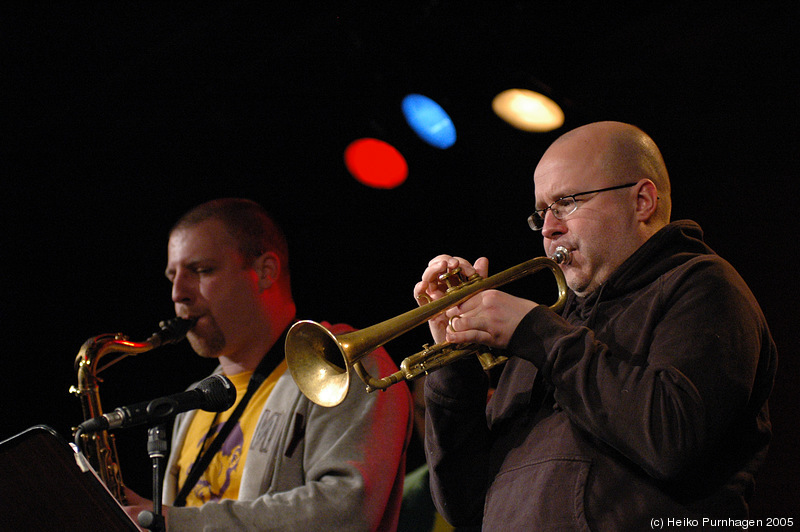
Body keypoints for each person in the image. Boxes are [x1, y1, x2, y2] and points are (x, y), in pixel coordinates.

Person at [413, 122, 777, 530]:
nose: (549, 228)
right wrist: (455, 361)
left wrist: (537, 334)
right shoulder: (547, 332)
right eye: (541, 213)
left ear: (642, 201)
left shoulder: (704, 285)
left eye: (566, 202)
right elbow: (463, 504)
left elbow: (673, 440)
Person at [123, 198, 412, 531]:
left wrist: (178, 524)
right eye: (173, 276)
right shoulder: (195, 402)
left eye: (202, 270)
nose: (178, 293)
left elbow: (344, 511)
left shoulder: (343, 361)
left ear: (265, 272)